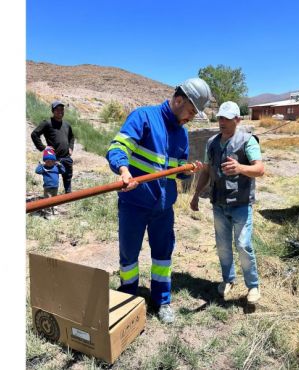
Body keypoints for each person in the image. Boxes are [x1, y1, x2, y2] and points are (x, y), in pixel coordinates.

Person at [106, 78, 212, 323]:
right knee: (129, 254)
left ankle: (161, 300)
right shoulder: (143, 117)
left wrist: (187, 170)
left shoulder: (182, 135)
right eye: (191, 111)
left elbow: (175, 171)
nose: (191, 117)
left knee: (163, 256)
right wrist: (123, 170)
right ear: (178, 100)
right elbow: (117, 148)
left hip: (163, 209)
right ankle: (128, 295)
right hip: (134, 204)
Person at [190, 101, 265, 304]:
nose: (222, 122)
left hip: (241, 204)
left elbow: (260, 169)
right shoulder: (212, 143)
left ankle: (253, 287)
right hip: (219, 204)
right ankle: (228, 280)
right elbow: (206, 170)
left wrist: (241, 168)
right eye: (220, 118)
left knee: (243, 244)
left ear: (237, 120)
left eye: (227, 119)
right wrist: (196, 194)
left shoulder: (248, 141)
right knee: (223, 246)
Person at [31, 100, 75, 193]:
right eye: (57, 109)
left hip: (66, 157)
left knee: (67, 177)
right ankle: (51, 200)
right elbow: (34, 134)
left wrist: (71, 147)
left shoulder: (67, 124)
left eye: (62, 109)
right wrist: (43, 148)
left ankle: (68, 197)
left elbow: (71, 136)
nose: (60, 111)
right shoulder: (47, 123)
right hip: (54, 158)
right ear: (53, 111)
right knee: (52, 179)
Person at [35, 147, 65, 215]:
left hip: (55, 186)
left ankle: (54, 209)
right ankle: (48, 212)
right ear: (45, 161)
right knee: (48, 200)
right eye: (48, 161)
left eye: (52, 161)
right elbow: (37, 171)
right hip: (47, 187)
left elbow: (63, 171)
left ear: (54, 161)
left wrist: (60, 165)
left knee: (55, 198)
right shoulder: (44, 168)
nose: (50, 163)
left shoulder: (56, 167)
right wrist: (40, 165)